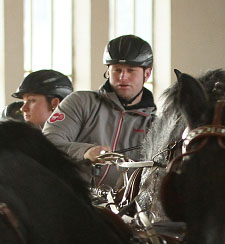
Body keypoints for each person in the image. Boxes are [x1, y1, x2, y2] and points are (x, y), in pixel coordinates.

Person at [43, 34, 156, 184]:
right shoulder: (80, 102)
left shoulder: (154, 125)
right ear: (108, 72)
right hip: (72, 197)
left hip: (124, 205)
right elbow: (47, 142)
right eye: (117, 70)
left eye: (130, 70)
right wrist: (86, 152)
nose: (123, 77)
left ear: (147, 74)